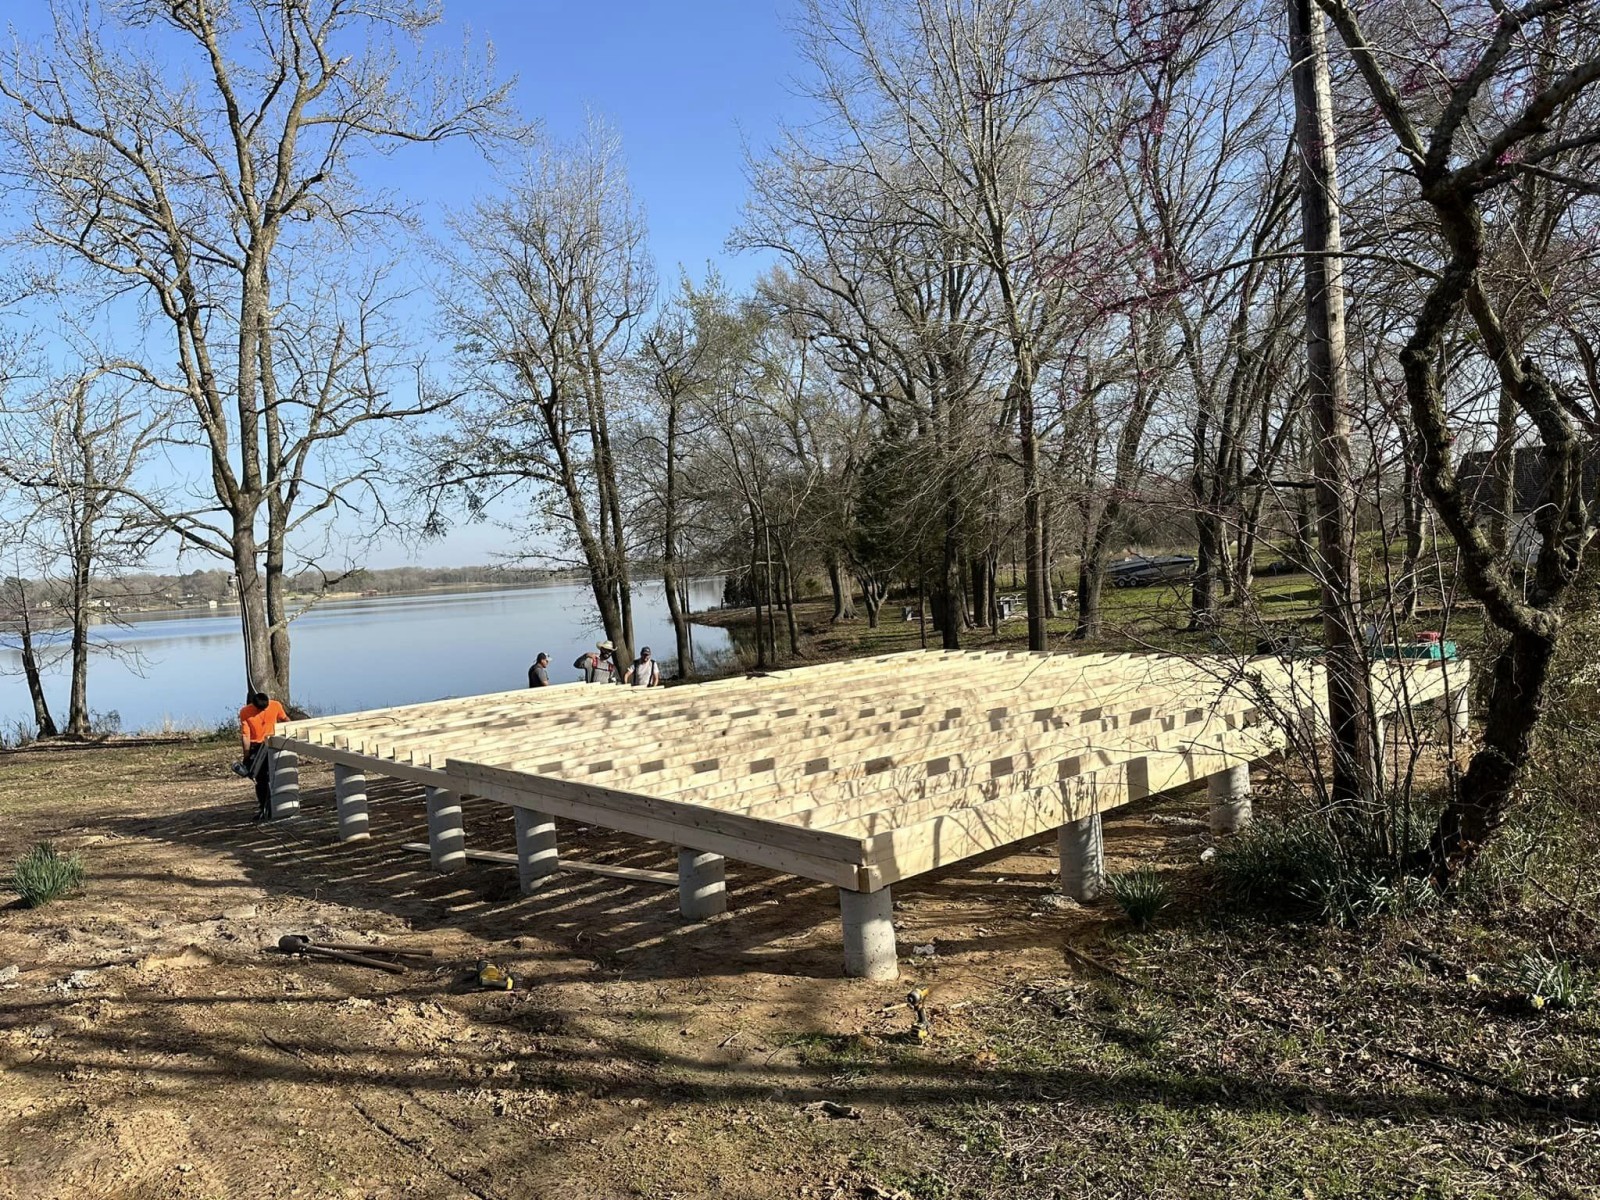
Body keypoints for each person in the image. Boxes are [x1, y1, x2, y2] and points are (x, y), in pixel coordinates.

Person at [239, 690, 289, 821]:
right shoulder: (245, 711)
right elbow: (246, 735)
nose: (262, 711)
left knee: (275, 777)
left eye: (265, 709)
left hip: (274, 744)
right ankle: (265, 808)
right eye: (260, 709)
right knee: (261, 780)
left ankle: (277, 806)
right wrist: (247, 755)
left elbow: (285, 720)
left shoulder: (275, 705)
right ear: (254, 705)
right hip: (257, 747)